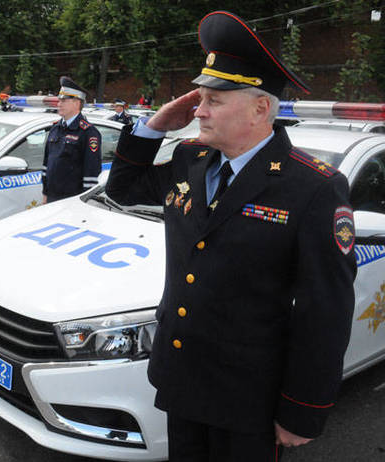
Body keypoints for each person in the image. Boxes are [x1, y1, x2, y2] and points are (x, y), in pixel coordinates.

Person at [105, 11, 356, 461]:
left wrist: (303, 409)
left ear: (261, 108)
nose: (198, 110)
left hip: (249, 396)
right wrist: (154, 126)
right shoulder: (190, 158)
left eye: (213, 100)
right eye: (199, 98)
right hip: (181, 376)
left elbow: (326, 310)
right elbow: (122, 190)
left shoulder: (313, 187)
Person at [41, 76, 101, 204]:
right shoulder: (55, 128)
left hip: (72, 202)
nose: (59, 104)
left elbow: (91, 175)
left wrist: (85, 204)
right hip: (52, 198)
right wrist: (45, 194)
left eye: (64, 100)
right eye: (59, 100)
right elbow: (47, 165)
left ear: (77, 102)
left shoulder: (88, 133)